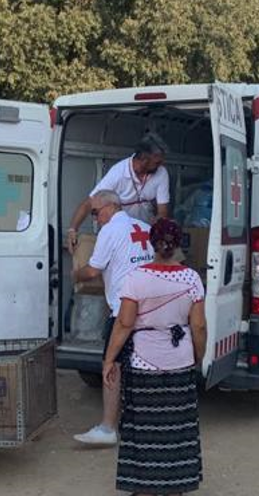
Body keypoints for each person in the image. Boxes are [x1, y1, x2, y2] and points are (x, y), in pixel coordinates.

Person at [104, 218, 207, 495]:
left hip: (143, 364)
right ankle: (176, 485)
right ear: (177, 245)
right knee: (177, 428)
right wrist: (198, 355)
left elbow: (124, 324)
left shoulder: (136, 278)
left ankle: (144, 486)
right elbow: (198, 326)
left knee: (144, 428)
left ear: (152, 243)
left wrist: (109, 359)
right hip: (180, 361)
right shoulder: (191, 278)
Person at [72, 190, 155, 446]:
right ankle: (146, 424)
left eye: (95, 213)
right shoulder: (143, 227)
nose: (95, 219)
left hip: (123, 312)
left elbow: (93, 269)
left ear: (109, 207)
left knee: (112, 367)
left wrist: (75, 273)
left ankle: (108, 428)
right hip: (150, 310)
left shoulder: (109, 231)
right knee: (145, 368)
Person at [66, 133, 171, 252]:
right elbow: (89, 203)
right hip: (120, 234)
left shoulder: (162, 173)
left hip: (145, 233)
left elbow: (163, 212)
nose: (160, 165)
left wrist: (156, 231)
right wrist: (72, 230)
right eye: (157, 162)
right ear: (144, 160)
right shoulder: (118, 172)